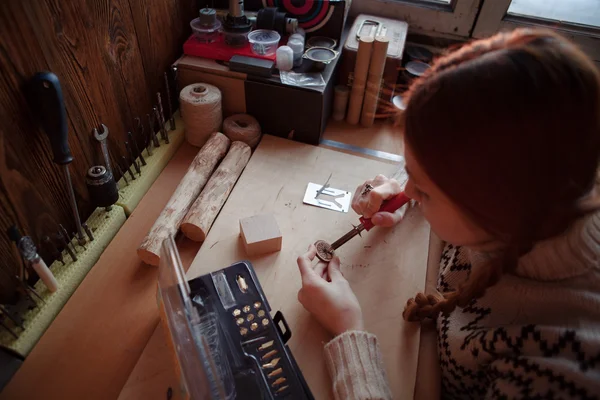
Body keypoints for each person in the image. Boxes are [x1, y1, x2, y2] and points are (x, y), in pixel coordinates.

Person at [296, 28, 600, 399]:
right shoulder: (560, 176)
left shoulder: (557, 373)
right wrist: (406, 190)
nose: (407, 189)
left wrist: (347, 331)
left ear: (491, 208)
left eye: (423, 188)